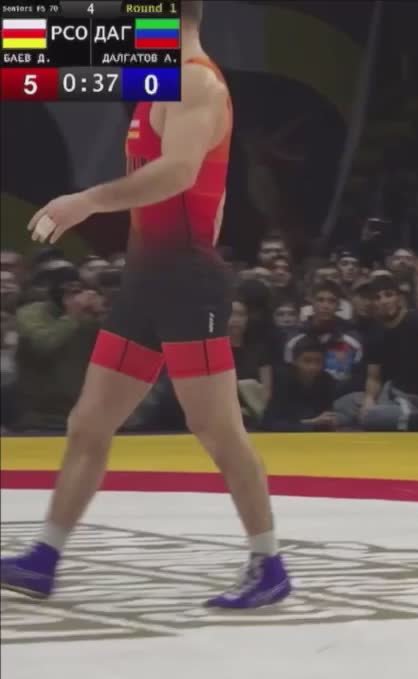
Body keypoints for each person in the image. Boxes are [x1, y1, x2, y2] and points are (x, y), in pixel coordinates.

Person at [1, 1, 292, 608]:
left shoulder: (196, 82)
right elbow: (51, 48)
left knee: (217, 428)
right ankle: (45, 556)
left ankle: (269, 564)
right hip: (145, 279)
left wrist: (86, 201)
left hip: (186, 281)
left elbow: (179, 173)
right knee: (89, 422)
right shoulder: (156, 77)